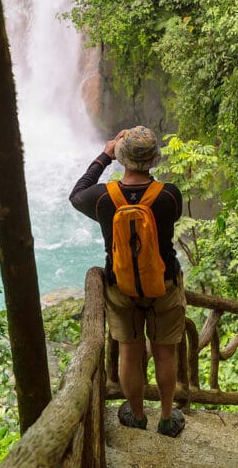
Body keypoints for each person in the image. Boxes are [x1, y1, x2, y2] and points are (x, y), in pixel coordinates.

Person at [69, 126, 186, 437]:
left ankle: (136, 415)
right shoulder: (169, 195)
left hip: (120, 288)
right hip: (164, 284)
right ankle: (165, 417)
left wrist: (105, 155)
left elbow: (77, 194)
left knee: (129, 352)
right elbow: (170, 221)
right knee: (165, 352)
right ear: (153, 160)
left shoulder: (103, 199)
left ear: (122, 159)